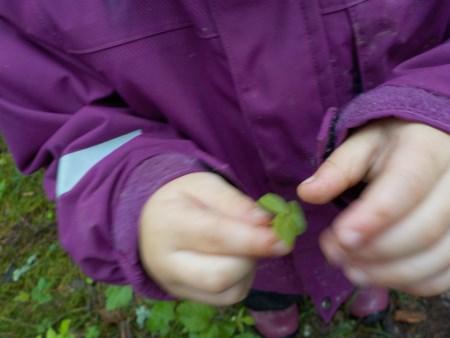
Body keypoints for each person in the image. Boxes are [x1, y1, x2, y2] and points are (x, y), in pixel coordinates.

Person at [1, 2, 449, 337]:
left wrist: (435, 105)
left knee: (362, 254)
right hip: (228, 227)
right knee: (257, 276)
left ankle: (360, 289)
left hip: (369, 207)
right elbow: (62, 126)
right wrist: (133, 186)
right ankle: (274, 311)